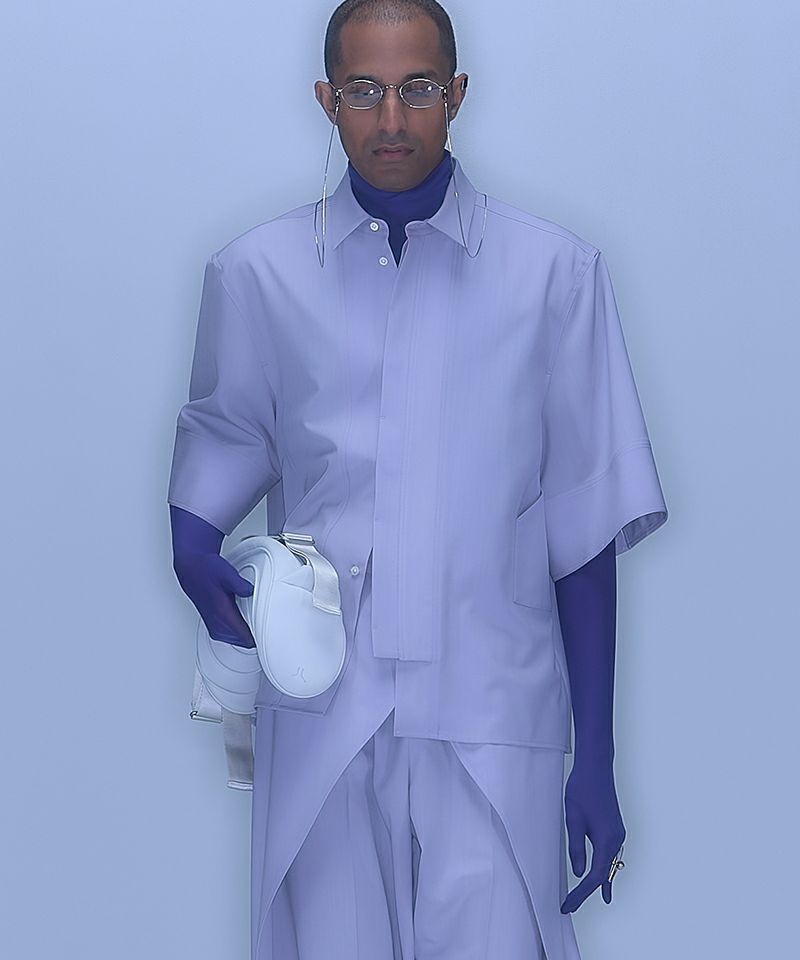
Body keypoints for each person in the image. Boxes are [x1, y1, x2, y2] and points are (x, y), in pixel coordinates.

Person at [167, 2, 669, 957]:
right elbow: (223, 438)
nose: (391, 119)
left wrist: (595, 759)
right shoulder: (258, 276)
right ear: (327, 101)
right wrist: (191, 544)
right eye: (364, 91)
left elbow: (583, 536)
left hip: (492, 717)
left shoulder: (555, 279)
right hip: (326, 711)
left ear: (457, 95)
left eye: (417, 89)